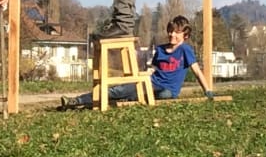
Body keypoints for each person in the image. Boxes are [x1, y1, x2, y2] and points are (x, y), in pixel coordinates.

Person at [60, 15, 214, 110]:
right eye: (170, 31)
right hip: (150, 83)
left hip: (167, 91)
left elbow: (197, 72)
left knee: (163, 94)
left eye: (177, 32)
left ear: (185, 35)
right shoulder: (160, 50)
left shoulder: (185, 50)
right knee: (117, 91)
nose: (172, 34)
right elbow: (151, 70)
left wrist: (207, 90)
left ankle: (130, 98)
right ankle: (77, 100)